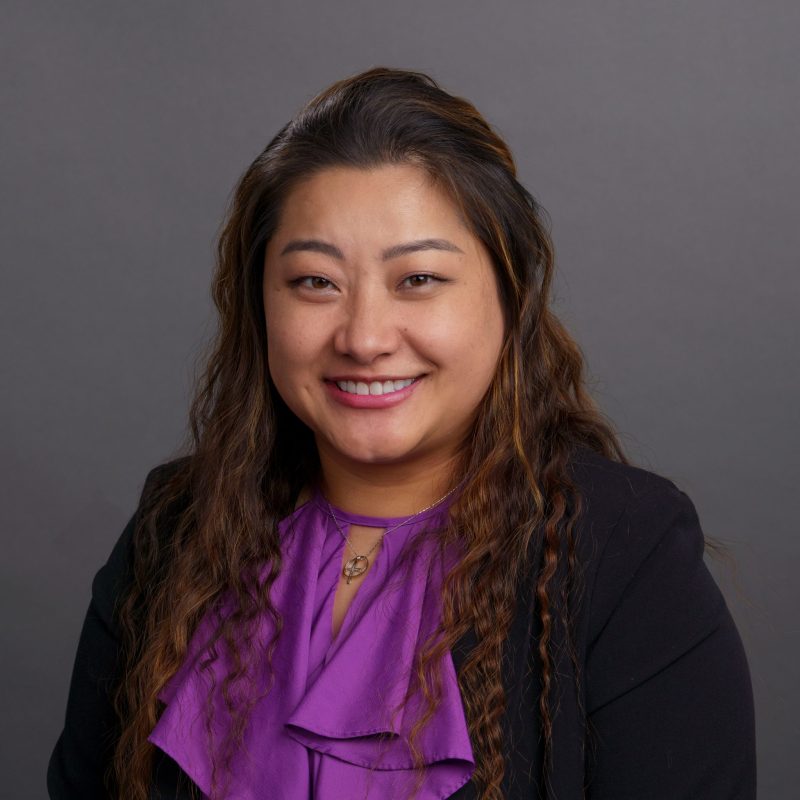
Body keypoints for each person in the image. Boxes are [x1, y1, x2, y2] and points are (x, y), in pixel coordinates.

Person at [47, 67, 756, 800]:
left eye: (417, 279)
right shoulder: (176, 527)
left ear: (510, 296)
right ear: (259, 304)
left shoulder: (625, 555)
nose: (363, 337)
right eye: (315, 282)